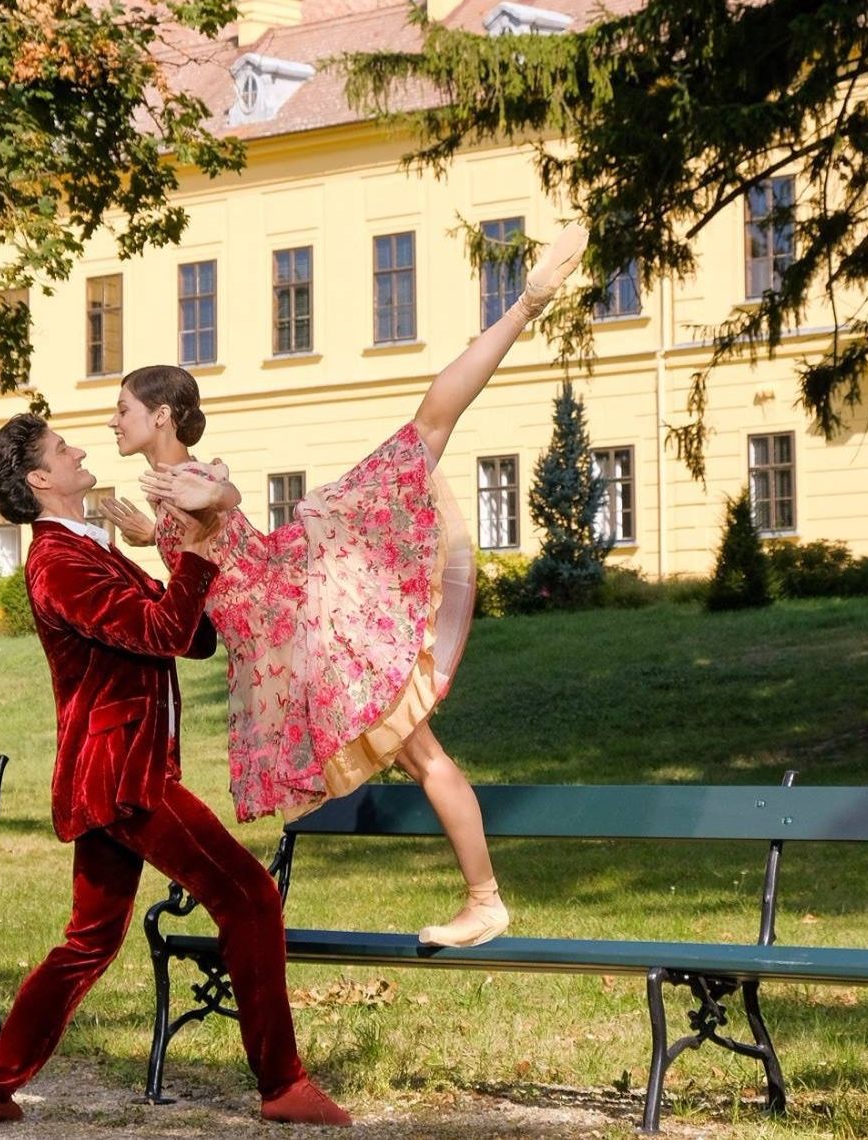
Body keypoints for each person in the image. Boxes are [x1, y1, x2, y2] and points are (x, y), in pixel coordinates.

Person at [101, 223, 588, 950]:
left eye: (124, 410)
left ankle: (524, 306)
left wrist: (208, 499)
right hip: (295, 646)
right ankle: (483, 900)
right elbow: (214, 553)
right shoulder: (172, 497)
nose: (114, 421)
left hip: (313, 630)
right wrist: (155, 534)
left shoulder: (194, 480)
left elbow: (227, 499)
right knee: (423, 755)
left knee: (423, 433)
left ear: (161, 416)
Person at [0, 414, 349, 1129]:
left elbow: (190, 635)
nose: (80, 450)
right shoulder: (58, 563)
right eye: (61, 449)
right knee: (252, 897)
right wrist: (198, 549)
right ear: (41, 479)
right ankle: (282, 1084)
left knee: (90, 940)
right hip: (124, 778)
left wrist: (207, 564)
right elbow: (165, 630)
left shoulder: (89, 548)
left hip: (114, 771)